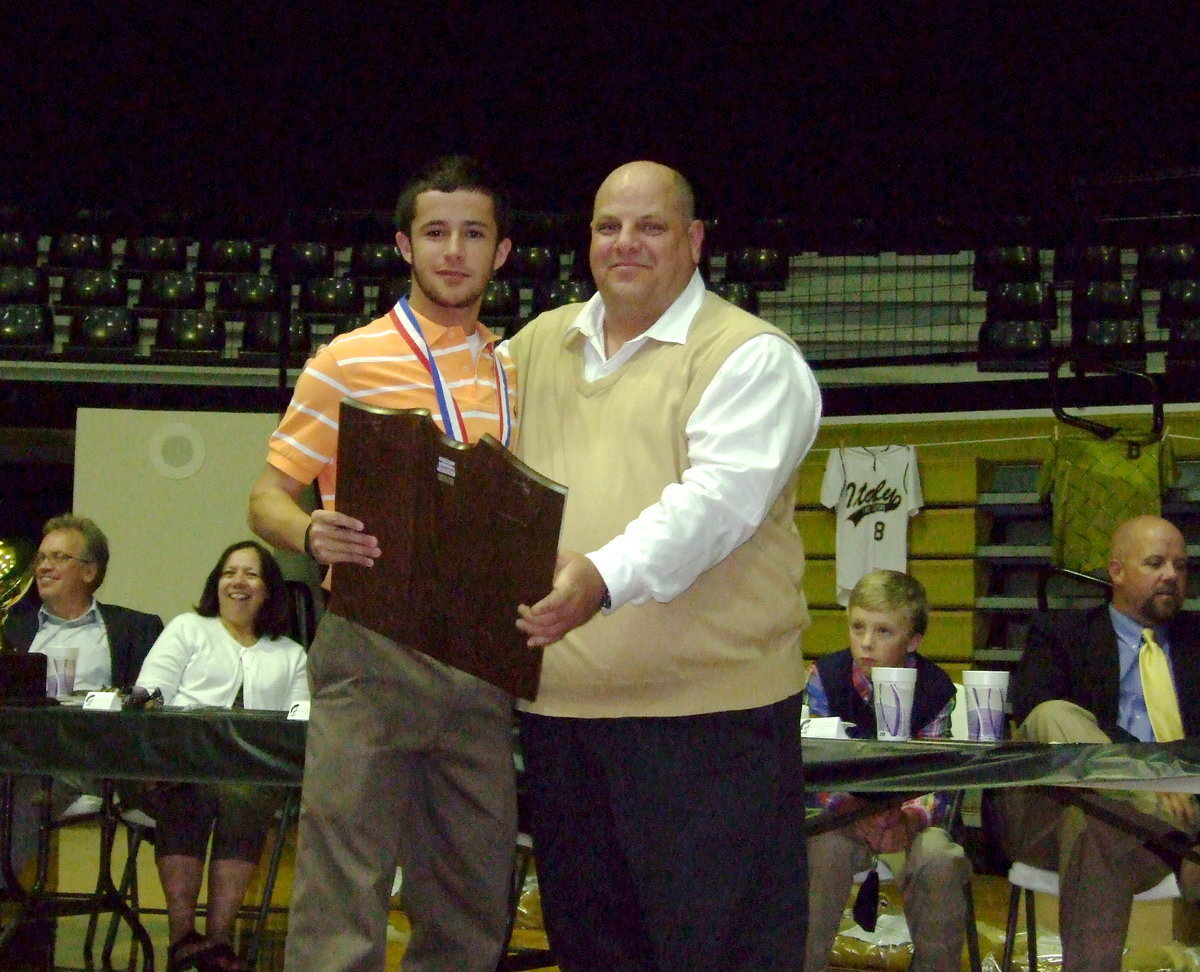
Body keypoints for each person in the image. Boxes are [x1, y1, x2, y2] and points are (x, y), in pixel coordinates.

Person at [507, 160, 822, 972]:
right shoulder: (539, 344)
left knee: (717, 955)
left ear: (694, 240)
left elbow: (716, 504)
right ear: (587, 240)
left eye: (651, 227)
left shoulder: (751, 356)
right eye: (609, 226)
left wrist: (599, 576)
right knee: (593, 953)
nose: (627, 243)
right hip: (561, 721)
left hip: (709, 728)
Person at [247, 155, 518, 972]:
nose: (453, 251)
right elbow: (265, 497)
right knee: (343, 892)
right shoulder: (347, 360)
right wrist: (305, 533)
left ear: (500, 252)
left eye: (473, 234)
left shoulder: (519, 368)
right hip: (371, 641)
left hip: (481, 655)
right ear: (405, 245)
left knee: (472, 897)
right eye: (435, 233)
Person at [999, 514, 1200, 972]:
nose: (1171, 574)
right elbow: (1033, 713)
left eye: (1181, 565)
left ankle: (1153, 812)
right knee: (1055, 717)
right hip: (1057, 816)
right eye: (1155, 563)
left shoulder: (1195, 641)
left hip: (1156, 824)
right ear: (1116, 572)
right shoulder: (1062, 633)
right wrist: (1152, 774)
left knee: (1096, 827)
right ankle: (1150, 801)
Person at [132, 540, 308, 972]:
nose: (238, 582)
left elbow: (302, 722)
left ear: (268, 591)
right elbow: (150, 691)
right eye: (230, 572)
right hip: (178, 769)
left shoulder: (292, 654)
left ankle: (217, 941)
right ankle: (182, 937)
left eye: (251, 574)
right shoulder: (189, 628)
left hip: (252, 779)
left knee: (245, 796)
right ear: (217, 582)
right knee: (188, 793)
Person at [803, 569, 971, 972]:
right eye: (858, 627)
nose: (865, 643)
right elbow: (814, 766)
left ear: (912, 641)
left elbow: (938, 779)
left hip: (910, 821)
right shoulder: (825, 679)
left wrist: (910, 819)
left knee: (941, 857)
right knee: (821, 849)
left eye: (883, 632)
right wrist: (851, 810)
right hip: (844, 815)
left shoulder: (935, 689)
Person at [0, 514, 162, 889]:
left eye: (58, 557)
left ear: (89, 571)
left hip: (93, 762)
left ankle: (6, 894)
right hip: (20, 754)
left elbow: (152, 707)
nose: (43, 566)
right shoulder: (12, 627)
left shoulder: (133, 629)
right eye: (41, 558)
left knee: (24, 792)